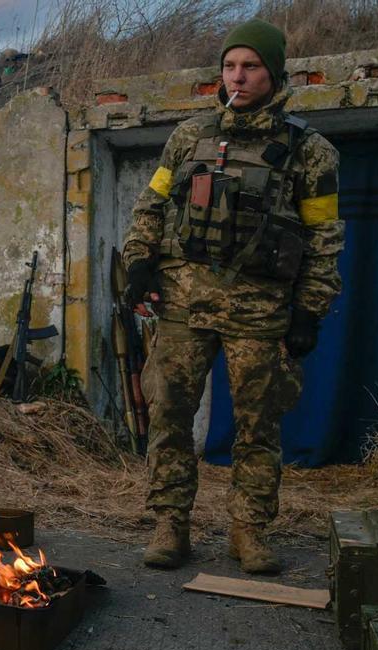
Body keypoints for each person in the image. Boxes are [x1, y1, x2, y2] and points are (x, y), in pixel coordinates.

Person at [121, 19, 343, 574]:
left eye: (250, 66)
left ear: (273, 73)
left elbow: (324, 239)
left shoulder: (310, 151)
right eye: (229, 66)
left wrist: (310, 310)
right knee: (170, 416)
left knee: (259, 426)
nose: (237, 77)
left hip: (259, 311)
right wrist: (138, 263)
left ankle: (250, 533)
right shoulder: (188, 136)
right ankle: (171, 525)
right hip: (182, 305)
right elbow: (151, 206)